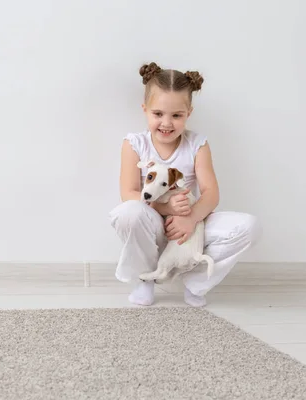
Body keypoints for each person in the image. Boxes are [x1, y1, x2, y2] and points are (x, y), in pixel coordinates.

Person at [109, 62, 261, 307]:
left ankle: (196, 282)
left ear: (188, 113)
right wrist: (167, 209)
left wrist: (190, 219)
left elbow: (211, 194)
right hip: (154, 225)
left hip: (190, 225)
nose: (167, 123)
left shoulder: (197, 144)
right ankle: (145, 278)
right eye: (158, 114)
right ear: (145, 109)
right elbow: (128, 193)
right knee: (128, 212)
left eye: (176, 115)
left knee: (249, 226)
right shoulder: (135, 144)